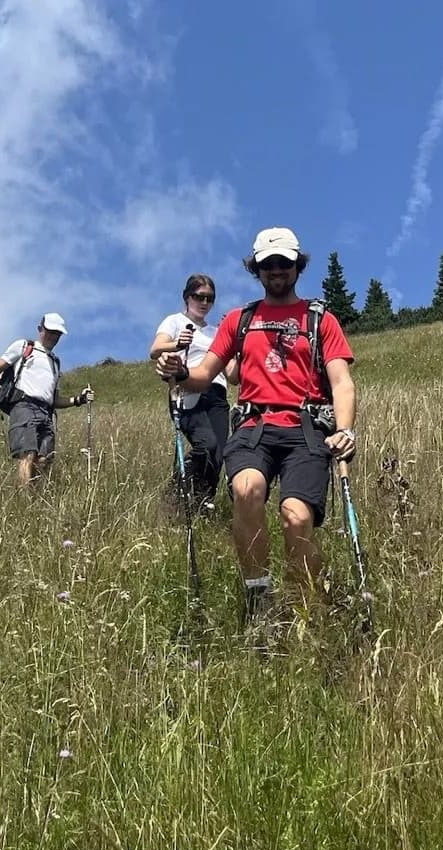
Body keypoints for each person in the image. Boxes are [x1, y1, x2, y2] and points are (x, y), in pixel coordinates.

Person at [156, 227, 357, 625]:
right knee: (247, 490)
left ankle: (307, 607)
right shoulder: (240, 320)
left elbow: (342, 383)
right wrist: (178, 369)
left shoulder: (321, 320)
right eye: (268, 264)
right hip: (252, 425)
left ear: (297, 266)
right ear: (257, 270)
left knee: (296, 519)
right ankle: (259, 598)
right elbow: (203, 375)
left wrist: (345, 429)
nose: (276, 270)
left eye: (284, 262)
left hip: (306, 429)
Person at [148, 274, 235, 514]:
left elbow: (233, 375)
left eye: (210, 298)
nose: (205, 302)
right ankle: (178, 491)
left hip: (217, 394)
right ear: (187, 297)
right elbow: (155, 349)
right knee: (206, 444)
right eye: (199, 297)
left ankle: (200, 503)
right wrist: (177, 344)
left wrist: (236, 340)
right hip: (187, 389)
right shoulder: (175, 322)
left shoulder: (217, 332)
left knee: (218, 454)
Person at [0, 313, 95, 488]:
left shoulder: (55, 362)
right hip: (23, 406)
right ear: (40, 329)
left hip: (46, 411)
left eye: (57, 333)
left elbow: (54, 399)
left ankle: (34, 495)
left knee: (45, 459)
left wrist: (79, 399)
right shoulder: (23, 346)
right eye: (50, 331)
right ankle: (24, 500)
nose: (53, 336)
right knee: (27, 453)